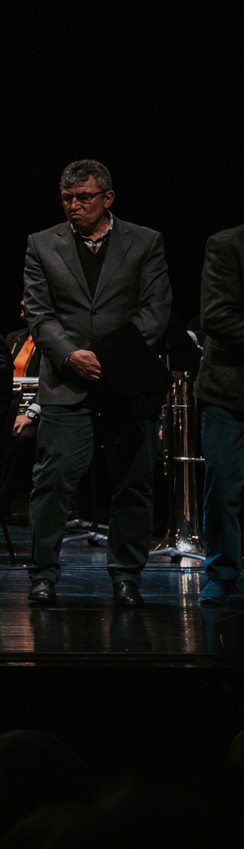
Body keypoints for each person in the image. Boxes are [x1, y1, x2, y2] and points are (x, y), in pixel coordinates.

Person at [19, 158, 173, 606]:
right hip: (67, 380)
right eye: (67, 198)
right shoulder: (41, 244)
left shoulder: (145, 241)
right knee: (52, 482)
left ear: (108, 198)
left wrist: (107, 359)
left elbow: (155, 310)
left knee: (132, 483)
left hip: (125, 383)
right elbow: (39, 313)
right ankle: (43, 575)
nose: (74, 205)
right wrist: (70, 355)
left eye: (84, 197)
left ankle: (126, 576)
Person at [196, 223, 242, 608]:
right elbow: (216, 316)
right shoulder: (227, 244)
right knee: (224, 486)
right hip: (230, 390)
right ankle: (222, 573)